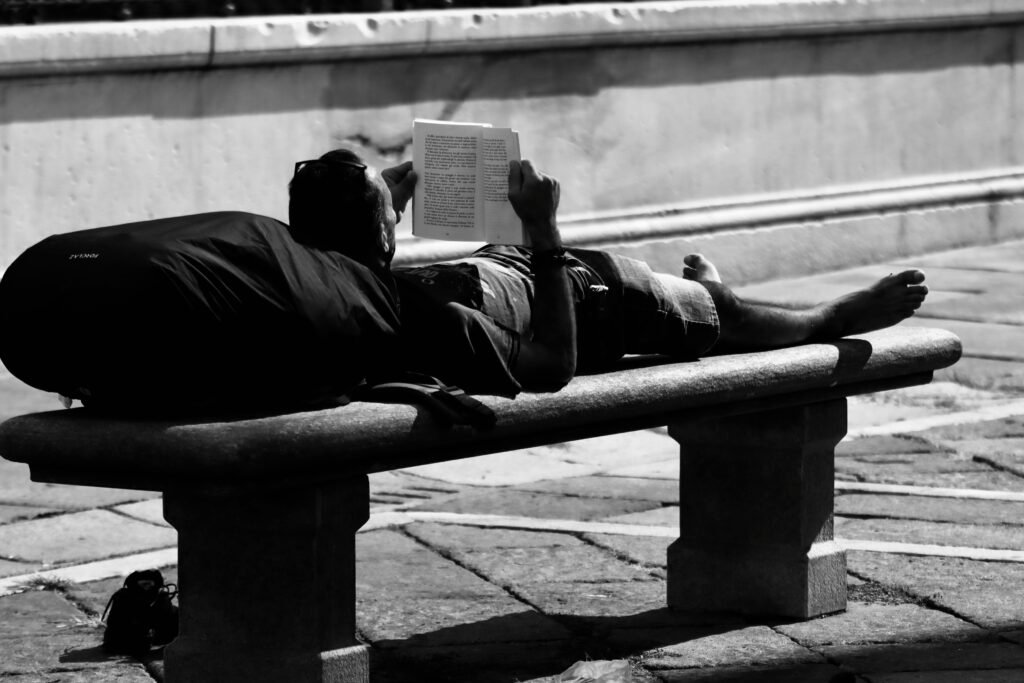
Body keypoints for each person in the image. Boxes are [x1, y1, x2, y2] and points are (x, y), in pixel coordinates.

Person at [288, 149, 928, 396]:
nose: (396, 212)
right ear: (377, 234)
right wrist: (543, 233)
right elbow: (553, 365)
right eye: (388, 211)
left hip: (501, 271)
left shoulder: (310, 278)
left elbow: (345, 244)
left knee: (503, 189)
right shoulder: (427, 319)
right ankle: (830, 314)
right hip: (593, 294)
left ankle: (704, 291)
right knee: (721, 319)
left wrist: (383, 211)